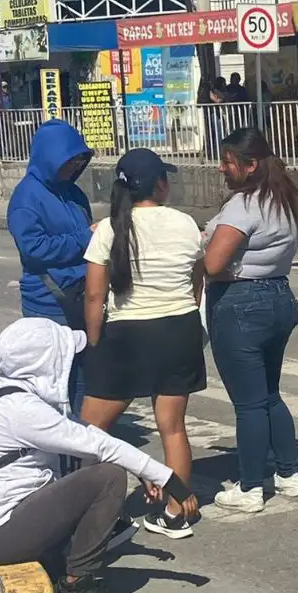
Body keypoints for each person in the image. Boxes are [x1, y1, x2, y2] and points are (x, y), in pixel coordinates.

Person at [0, 318, 194, 593]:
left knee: (91, 464)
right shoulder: (22, 410)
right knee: (109, 477)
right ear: (45, 362)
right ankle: (76, 588)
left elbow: (86, 435)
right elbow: (100, 446)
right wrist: (169, 480)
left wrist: (143, 471)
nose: (72, 364)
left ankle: (62, 556)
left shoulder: (9, 393)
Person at [79, 149, 205, 538]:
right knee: (172, 427)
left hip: (127, 335)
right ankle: (176, 513)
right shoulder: (185, 223)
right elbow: (196, 281)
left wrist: (94, 343)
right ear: (160, 185)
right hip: (179, 329)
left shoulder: (108, 230)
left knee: (92, 429)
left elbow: (94, 297)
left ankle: (91, 510)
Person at [202, 128, 298, 512]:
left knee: (248, 404)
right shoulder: (282, 198)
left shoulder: (243, 205)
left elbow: (213, 264)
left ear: (250, 165)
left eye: (228, 162)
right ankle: (289, 473)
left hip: (241, 304)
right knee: (269, 394)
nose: (221, 168)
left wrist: (204, 247)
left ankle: (250, 488)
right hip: (278, 296)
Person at [7, 119, 94, 418]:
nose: (75, 167)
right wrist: (85, 238)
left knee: (82, 374)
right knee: (54, 379)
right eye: (69, 161)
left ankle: (79, 432)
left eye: (79, 161)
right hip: (49, 300)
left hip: (81, 294)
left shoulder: (73, 193)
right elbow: (34, 248)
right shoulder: (26, 197)